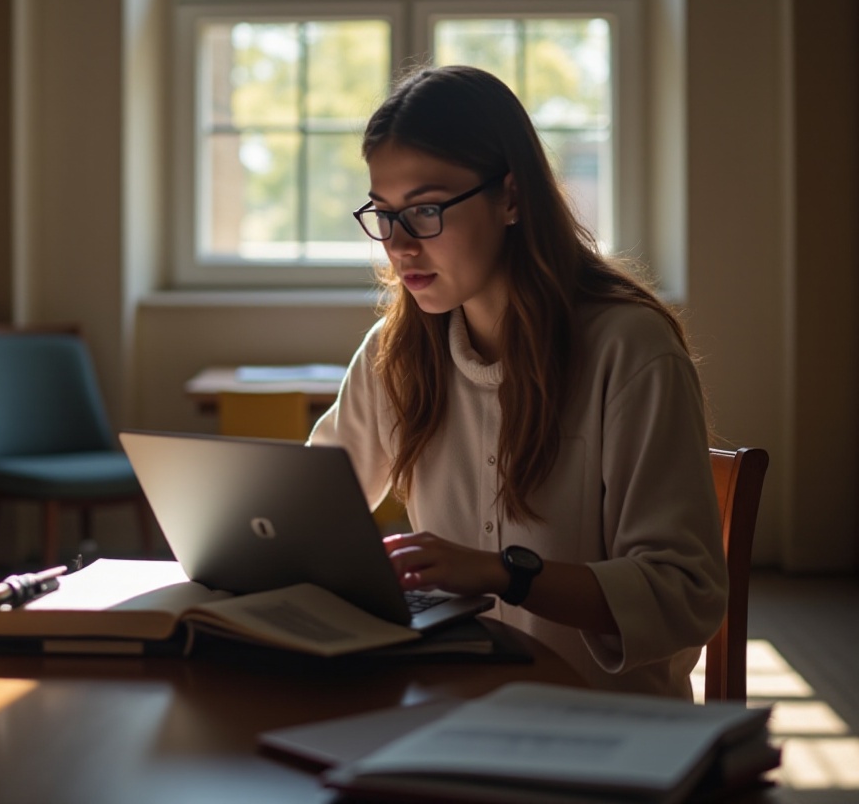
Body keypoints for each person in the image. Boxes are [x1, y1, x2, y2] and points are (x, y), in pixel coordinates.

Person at [308, 64, 728, 698]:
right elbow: (310, 512)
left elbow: (685, 595)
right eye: (383, 212)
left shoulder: (629, 350)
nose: (397, 244)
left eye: (425, 209)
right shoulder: (394, 354)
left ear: (511, 198)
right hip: (452, 709)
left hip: (602, 731)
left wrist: (505, 574)